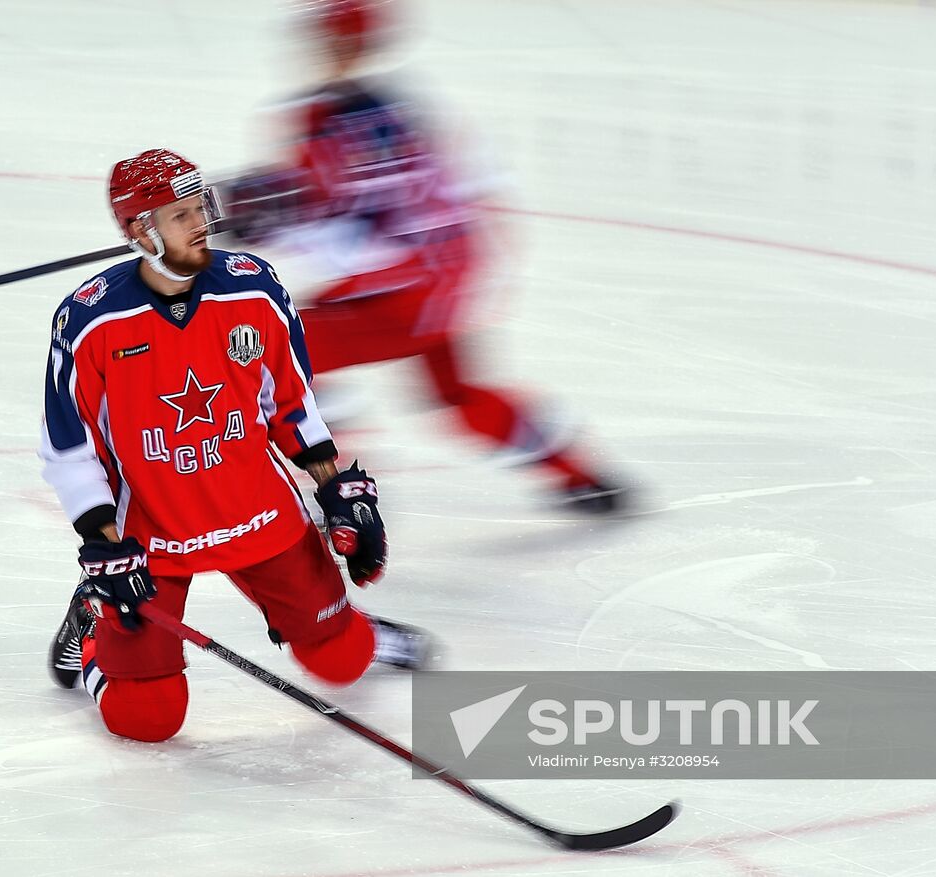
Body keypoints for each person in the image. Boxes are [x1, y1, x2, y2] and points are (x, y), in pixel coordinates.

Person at [41, 148, 427, 743]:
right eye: (179, 214)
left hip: (256, 512)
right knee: (146, 719)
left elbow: (290, 405)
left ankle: (348, 627)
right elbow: (68, 448)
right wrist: (103, 544)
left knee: (341, 661)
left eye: (200, 207)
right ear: (141, 231)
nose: (200, 223)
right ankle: (94, 629)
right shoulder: (90, 322)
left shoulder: (254, 289)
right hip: (151, 538)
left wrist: (335, 488)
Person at [220, 0, 627, 512]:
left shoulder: (325, 118)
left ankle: (341, 489)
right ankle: (580, 473)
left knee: (286, 353)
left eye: (329, 38)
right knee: (457, 396)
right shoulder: (396, 108)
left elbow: (349, 219)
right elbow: (375, 198)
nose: (320, 48)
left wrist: (267, 217)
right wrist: (271, 205)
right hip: (443, 276)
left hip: (406, 287)